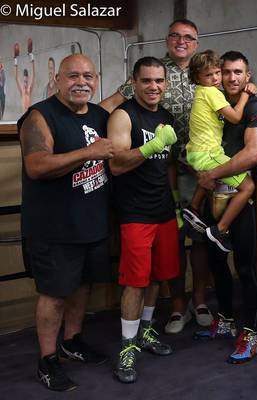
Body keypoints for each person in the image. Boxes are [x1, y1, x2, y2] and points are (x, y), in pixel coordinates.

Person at [100, 19, 214, 335]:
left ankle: (199, 300)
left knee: (201, 239)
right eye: (175, 35)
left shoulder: (206, 72)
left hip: (204, 170)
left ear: (197, 42)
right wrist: (74, 127)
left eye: (188, 37)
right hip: (165, 171)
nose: (181, 41)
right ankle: (177, 304)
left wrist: (249, 87)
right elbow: (109, 106)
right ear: (167, 40)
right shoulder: (152, 70)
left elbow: (233, 94)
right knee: (173, 243)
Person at [18, 54, 113, 391]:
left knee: (83, 286)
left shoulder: (100, 115)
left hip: (92, 223)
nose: (81, 82)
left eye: (88, 76)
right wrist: (89, 152)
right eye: (73, 76)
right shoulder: (39, 116)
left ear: (96, 80)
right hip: (53, 228)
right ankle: (47, 359)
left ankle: (72, 341)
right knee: (55, 295)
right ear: (57, 79)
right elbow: (37, 166)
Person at [108, 56, 179, 383]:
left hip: (163, 209)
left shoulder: (166, 116)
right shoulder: (124, 115)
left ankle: (146, 332)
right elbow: (117, 164)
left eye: (159, 81)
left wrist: (175, 202)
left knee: (156, 276)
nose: (153, 86)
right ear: (134, 83)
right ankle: (127, 347)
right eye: (147, 80)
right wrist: (152, 145)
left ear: (166, 84)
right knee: (135, 281)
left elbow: (167, 165)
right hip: (135, 212)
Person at [194, 51, 257, 363]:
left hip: (239, 199)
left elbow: (251, 154)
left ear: (247, 76)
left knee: (246, 267)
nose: (232, 77)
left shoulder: (254, 107)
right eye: (226, 72)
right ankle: (225, 320)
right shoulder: (216, 101)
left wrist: (211, 174)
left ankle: (251, 334)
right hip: (214, 195)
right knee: (217, 263)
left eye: (238, 72)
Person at [181, 49, 256, 253]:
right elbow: (235, 117)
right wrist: (245, 95)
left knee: (210, 178)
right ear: (197, 78)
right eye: (208, 75)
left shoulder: (201, 92)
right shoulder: (212, 93)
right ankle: (219, 230)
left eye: (217, 73)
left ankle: (193, 208)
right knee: (248, 187)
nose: (215, 78)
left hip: (197, 152)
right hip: (208, 153)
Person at [15, 39, 36, 113]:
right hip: (23, 115)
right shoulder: (22, 91)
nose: (25, 84)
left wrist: (32, 57)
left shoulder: (29, 89)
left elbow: (34, 75)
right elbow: (16, 78)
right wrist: (15, 61)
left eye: (26, 81)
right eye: (24, 81)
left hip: (29, 114)